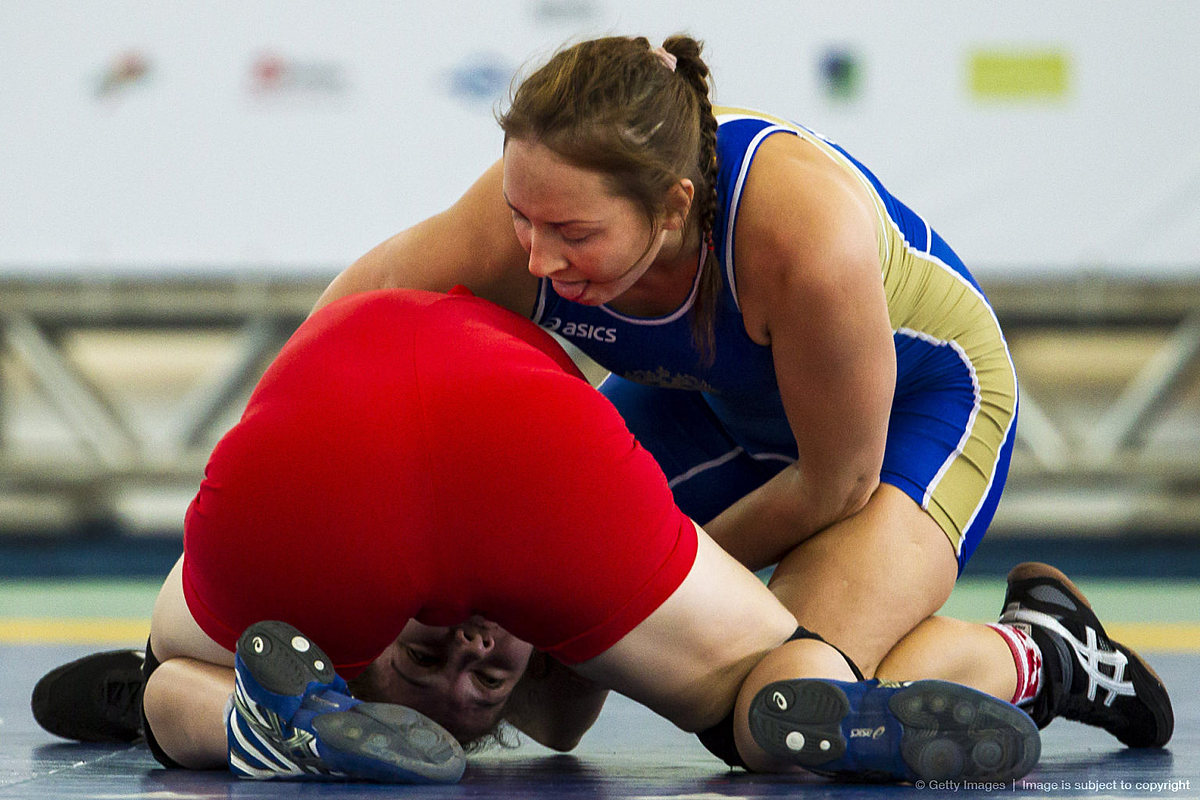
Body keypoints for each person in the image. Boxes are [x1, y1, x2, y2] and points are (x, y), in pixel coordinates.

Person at [310, 34, 1172, 751]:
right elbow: (333, 344)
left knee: (779, 713)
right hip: (712, 407)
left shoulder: (799, 238)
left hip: (909, 418)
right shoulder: (520, 225)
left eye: (574, 235)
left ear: (674, 206)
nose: (536, 259)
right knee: (544, 698)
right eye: (521, 218)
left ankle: (1046, 650)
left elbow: (837, 485)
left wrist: (641, 586)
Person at [95, 286, 1041, 784]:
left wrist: (301, 388)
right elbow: (553, 716)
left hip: (347, 434)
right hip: (515, 441)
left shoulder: (336, 603)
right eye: (484, 677)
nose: (466, 648)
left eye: (427, 666)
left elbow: (547, 716)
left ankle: (252, 727)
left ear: (349, 661)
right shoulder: (568, 599)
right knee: (775, 687)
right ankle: (845, 710)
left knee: (167, 666)